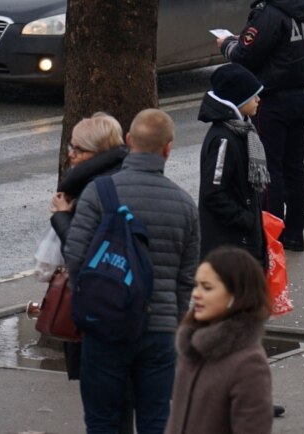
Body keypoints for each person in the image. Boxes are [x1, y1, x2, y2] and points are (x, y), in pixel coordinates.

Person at [62, 109, 201, 434]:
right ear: (167, 148)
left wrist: (93, 304)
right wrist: (171, 316)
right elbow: (187, 277)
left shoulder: (99, 192)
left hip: (106, 326)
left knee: (102, 420)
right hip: (159, 331)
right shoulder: (184, 204)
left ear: (128, 141)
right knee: (155, 419)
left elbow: (75, 257)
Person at [216, 0, 304, 251]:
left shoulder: (269, 13)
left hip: (272, 102)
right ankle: (295, 234)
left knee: (270, 168)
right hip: (301, 98)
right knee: (295, 167)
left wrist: (227, 44)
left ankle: (271, 235)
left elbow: (243, 56)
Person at [48, 113, 127, 381]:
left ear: (99, 152)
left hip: (93, 302)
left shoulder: (94, 190)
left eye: (79, 149)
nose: (71, 154)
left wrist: (61, 216)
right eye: (72, 146)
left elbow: (80, 250)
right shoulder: (117, 176)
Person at [165, 246, 274, 434]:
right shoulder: (192, 347)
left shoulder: (248, 363)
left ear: (236, 295)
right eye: (196, 285)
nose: (196, 294)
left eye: (207, 287)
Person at [196, 64, 269, 266]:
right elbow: (213, 193)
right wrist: (246, 219)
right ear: (238, 99)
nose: (258, 99)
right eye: (253, 95)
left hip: (241, 243)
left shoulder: (242, 131)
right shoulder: (224, 140)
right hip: (230, 246)